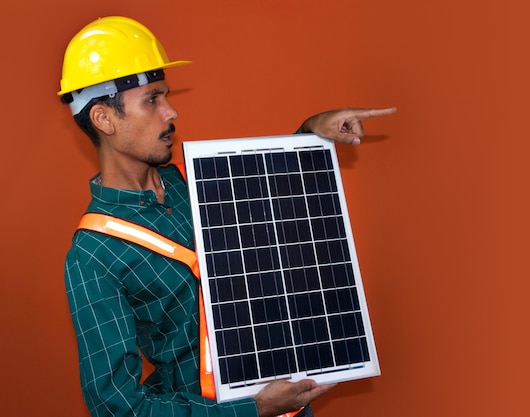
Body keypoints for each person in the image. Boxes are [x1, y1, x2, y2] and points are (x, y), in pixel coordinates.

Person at [61, 15, 396, 417]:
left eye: (166, 95)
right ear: (104, 119)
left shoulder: (189, 181)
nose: (172, 112)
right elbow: (119, 408)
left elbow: (262, 216)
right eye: (152, 99)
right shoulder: (93, 255)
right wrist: (251, 410)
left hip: (288, 401)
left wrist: (311, 134)